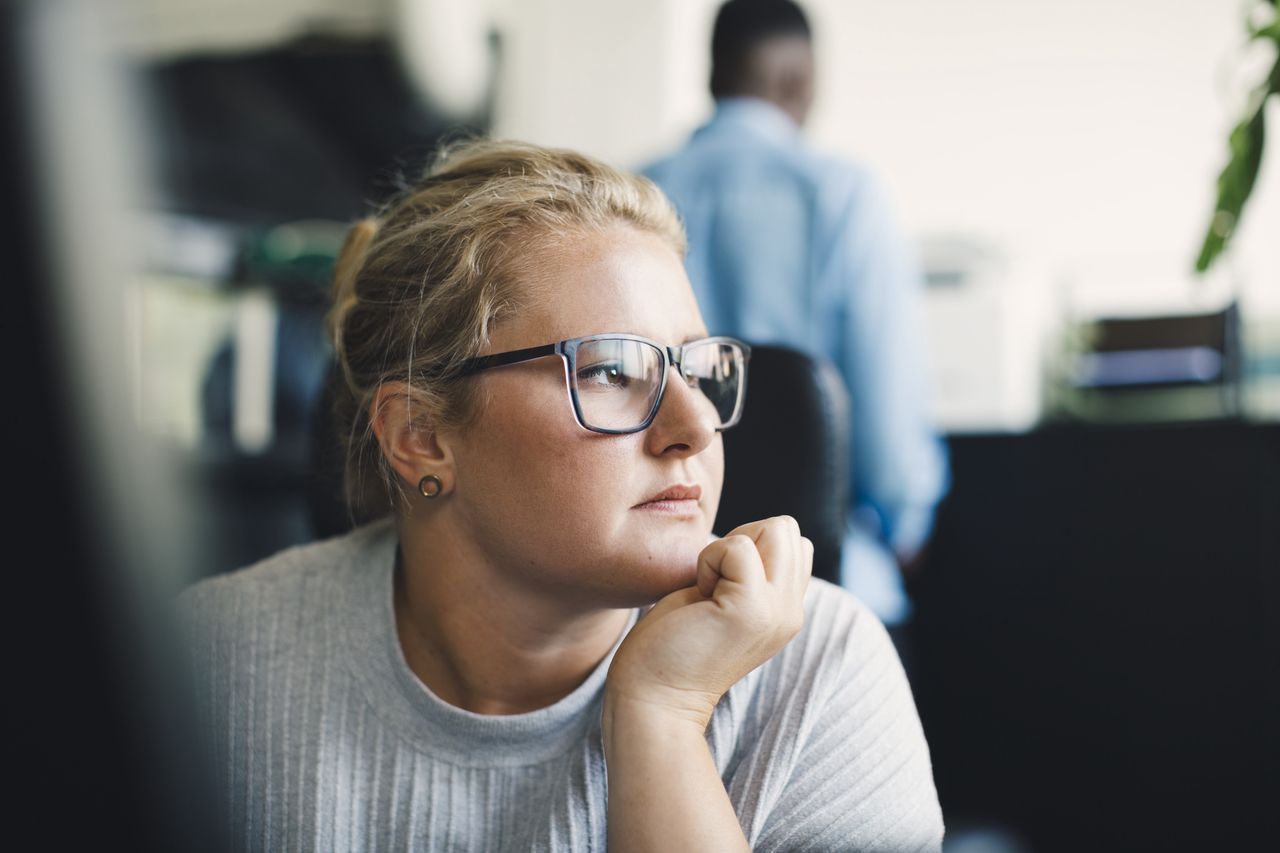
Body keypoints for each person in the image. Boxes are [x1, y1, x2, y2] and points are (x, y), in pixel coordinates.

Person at [177, 139, 944, 851]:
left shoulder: (820, 672)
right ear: (420, 436)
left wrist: (662, 714)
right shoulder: (206, 668)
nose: (696, 425)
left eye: (697, 369)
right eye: (611, 370)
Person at [644, 0, 949, 630]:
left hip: (669, 580)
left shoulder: (631, 194)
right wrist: (906, 522)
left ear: (714, 75)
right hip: (820, 582)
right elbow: (885, 400)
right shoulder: (843, 192)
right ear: (798, 81)